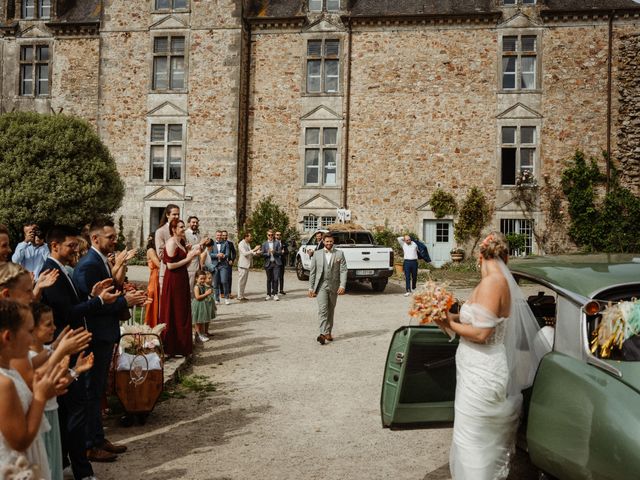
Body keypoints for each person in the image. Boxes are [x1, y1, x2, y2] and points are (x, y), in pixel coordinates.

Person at [433, 232, 545, 480]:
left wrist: (449, 324)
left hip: (482, 371)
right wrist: (442, 315)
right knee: (471, 435)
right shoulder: (491, 282)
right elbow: (470, 319)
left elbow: (482, 333)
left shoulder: (493, 283)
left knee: (474, 439)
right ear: (506, 257)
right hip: (475, 369)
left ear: (479, 257)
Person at [40, 226, 118, 471]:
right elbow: (65, 313)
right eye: (71, 246)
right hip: (64, 344)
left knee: (78, 403)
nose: (76, 250)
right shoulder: (51, 272)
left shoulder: (62, 270)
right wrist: (98, 301)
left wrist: (89, 298)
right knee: (75, 405)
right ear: (55, 246)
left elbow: (73, 304)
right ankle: (79, 462)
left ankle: (70, 459)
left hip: (70, 343)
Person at [72, 219, 146, 462]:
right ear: (96, 239)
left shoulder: (100, 261)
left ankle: (98, 437)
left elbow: (108, 294)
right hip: (95, 335)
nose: (115, 241)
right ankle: (89, 444)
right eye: (111, 237)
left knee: (98, 388)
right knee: (91, 390)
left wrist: (124, 295)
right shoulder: (88, 265)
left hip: (105, 333)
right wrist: (126, 302)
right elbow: (92, 306)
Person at [0, 299, 70, 480]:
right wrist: (40, 396)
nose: (32, 339)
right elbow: (20, 441)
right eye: (29, 331)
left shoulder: (10, 371)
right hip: (14, 469)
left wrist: (48, 389)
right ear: (8, 337)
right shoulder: (4, 384)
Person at [158, 219, 200, 358]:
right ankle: (171, 347)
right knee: (174, 311)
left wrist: (188, 255)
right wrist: (189, 257)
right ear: (173, 229)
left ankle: (182, 346)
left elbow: (184, 265)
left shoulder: (181, 242)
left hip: (182, 278)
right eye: (181, 227)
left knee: (182, 311)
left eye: (183, 226)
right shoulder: (170, 243)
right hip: (173, 280)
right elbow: (170, 266)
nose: (183, 229)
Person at [308, 232, 347, 345]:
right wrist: (311, 287)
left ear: (333, 242)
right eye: (327, 241)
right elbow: (313, 272)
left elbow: (344, 270)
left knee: (331, 309)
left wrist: (342, 285)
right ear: (323, 242)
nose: (329, 243)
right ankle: (322, 333)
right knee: (323, 310)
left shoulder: (339, 254)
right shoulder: (317, 254)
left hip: (334, 285)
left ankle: (328, 332)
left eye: (330, 241)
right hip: (321, 286)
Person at [154, 204, 180, 291]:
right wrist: (174, 248)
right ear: (167, 215)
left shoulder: (180, 229)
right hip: (167, 272)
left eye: (178, 214)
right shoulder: (160, 231)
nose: (177, 216)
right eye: (174, 214)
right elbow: (160, 254)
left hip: (180, 272)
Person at [207, 231, 232, 305]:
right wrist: (217, 255)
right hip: (214, 265)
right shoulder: (212, 243)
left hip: (223, 265)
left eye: (220, 235)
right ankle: (217, 299)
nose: (219, 236)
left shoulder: (226, 243)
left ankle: (227, 298)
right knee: (215, 283)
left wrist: (224, 255)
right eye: (218, 235)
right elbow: (209, 254)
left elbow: (228, 253)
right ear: (215, 235)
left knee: (224, 281)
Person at [237, 232, 260, 301]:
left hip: (246, 265)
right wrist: (254, 249)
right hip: (242, 265)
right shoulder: (241, 243)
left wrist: (256, 253)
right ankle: (239, 296)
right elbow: (244, 253)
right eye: (250, 236)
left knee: (244, 282)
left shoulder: (247, 243)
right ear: (246, 237)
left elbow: (250, 253)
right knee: (241, 281)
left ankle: (242, 295)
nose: (251, 237)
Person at [191, 271, 212, 343]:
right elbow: (197, 297)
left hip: (203, 304)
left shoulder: (202, 285)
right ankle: (199, 335)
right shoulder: (196, 287)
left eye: (204, 278)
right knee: (198, 321)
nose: (203, 280)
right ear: (196, 278)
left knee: (202, 320)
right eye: (201, 279)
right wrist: (206, 294)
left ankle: (202, 333)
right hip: (198, 305)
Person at [144, 235, 161, 327]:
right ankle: (151, 323)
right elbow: (158, 264)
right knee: (154, 297)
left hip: (159, 276)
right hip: (155, 276)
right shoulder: (151, 250)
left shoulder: (157, 250)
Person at [261, 230, 282, 301]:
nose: (271, 236)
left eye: (272, 235)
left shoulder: (277, 243)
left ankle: (275, 294)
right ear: (267, 235)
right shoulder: (264, 244)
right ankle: (268, 294)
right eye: (269, 235)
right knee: (269, 279)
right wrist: (268, 253)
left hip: (276, 263)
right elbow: (262, 254)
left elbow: (280, 253)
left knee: (276, 279)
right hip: (268, 263)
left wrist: (274, 252)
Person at [221, 230, 236, 298]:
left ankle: (229, 292)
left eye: (226, 235)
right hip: (221, 263)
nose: (225, 236)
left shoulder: (230, 243)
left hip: (228, 263)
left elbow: (234, 253)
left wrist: (232, 260)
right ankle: (222, 292)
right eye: (223, 235)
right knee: (221, 278)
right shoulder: (219, 243)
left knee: (229, 278)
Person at [275, 231, 287, 295]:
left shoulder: (283, 242)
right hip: (275, 261)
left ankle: (281, 289)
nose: (278, 236)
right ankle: (275, 289)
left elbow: (287, 251)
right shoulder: (273, 243)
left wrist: (284, 252)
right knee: (275, 276)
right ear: (275, 235)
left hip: (282, 261)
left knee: (281, 276)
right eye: (277, 235)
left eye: (279, 235)